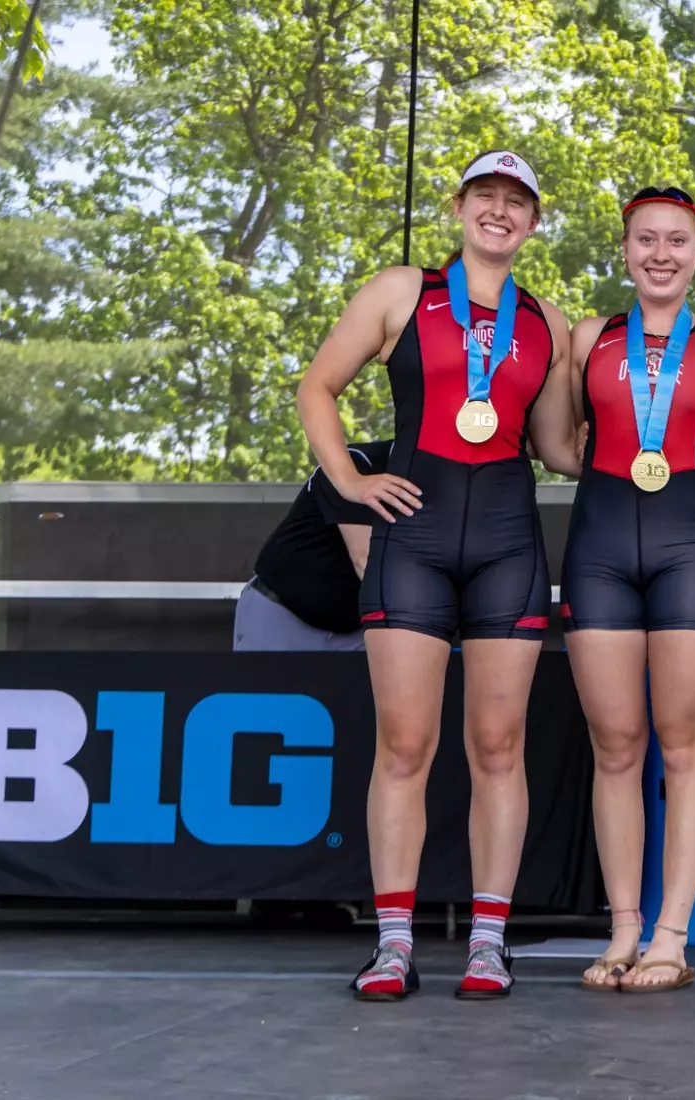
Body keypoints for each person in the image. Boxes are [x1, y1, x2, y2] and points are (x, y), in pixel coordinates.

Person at [295, 149, 570, 1001]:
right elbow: (317, 387)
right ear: (461, 207)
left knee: (498, 747)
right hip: (411, 541)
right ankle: (393, 943)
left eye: (516, 201)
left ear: (533, 221)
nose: (500, 211)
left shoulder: (547, 323)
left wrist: (659, 452)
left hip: (507, 545)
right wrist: (348, 482)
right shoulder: (401, 291)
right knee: (406, 746)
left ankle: (489, 940)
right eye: (485, 196)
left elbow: (559, 449)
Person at [541, 186, 695, 992]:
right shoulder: (588, 338)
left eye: (676, 240)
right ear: (625, 250)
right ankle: (622, 928)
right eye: (645, 240)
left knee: (683, 744)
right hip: (598, 550)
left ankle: (672, 934)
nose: (660, 253)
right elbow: (559, 447)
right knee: (615, 746)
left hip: (689, 554)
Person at [233, 440, 393, 652]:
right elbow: (365, 561)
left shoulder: (442, 488)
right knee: (265, 685)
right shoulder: (354, 462)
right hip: (283, 612)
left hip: (355, 628)